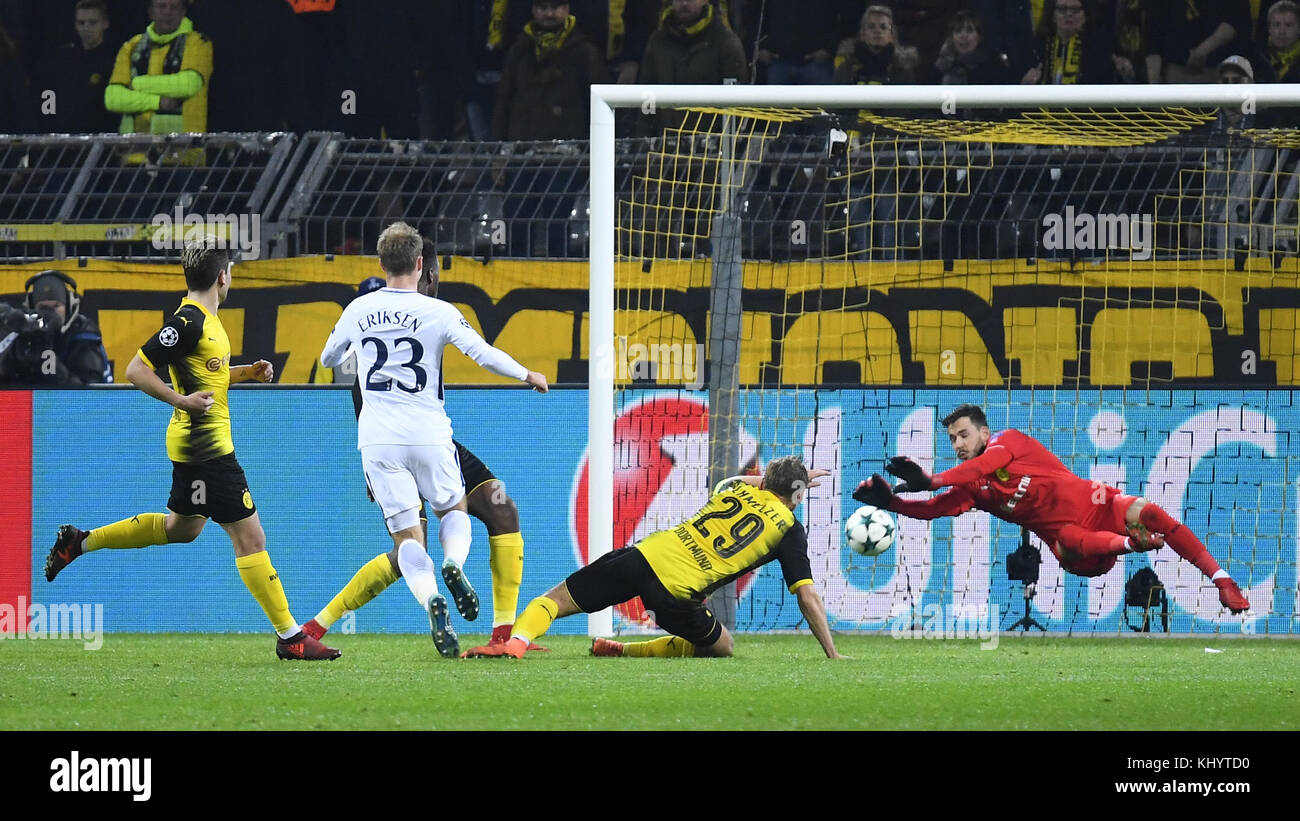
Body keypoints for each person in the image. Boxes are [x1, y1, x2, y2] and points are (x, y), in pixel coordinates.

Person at [43, 238, 341, 661]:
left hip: (197, 447)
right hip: (207, 449)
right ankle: (291, 636)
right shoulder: (188, 323)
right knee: (251, 537)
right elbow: (134, 370)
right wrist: (180, 401)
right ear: (223, 277)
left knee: (181, 529)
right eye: (231, 271)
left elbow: (207, 378)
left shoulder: (207, 321)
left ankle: (80, 541)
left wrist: (246, 373)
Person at [305, 238, 548, 654]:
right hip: (426, 437)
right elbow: (483, 354)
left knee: (493, 508)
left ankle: (501, 637)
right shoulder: (437, 311)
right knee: (420, 538)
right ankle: (318, 626)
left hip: (386, 444)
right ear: (425, 271)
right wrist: (528, 373)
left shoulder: (359, 313)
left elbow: (329, 359)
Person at [853, 403, 1251, 614]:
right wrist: (893, 503)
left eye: (964, 434)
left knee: (1149, 511)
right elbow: (933, 510)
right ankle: (1132, 546)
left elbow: (983, 465)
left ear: (984, 432)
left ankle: (1222, 581)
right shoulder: (973, 490)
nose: (958, 443)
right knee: (1068, 538)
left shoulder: (1008, 441)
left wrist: (933, 479)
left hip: (1099, 505)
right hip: (1077, 551)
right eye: (953, 439)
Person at [462, 456, 845, 660]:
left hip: (643, 556)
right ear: (797, 494)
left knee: (556, 599)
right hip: (676, 596)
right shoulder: (789, 529)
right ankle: (622, 651)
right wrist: (831, 651)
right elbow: (806, 595)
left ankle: (515, 643)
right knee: (722, 645)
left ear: (766, 482)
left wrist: (783, 480)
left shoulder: (732, 492)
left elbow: (743, 483)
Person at [492, 0, 608, 140]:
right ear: (533, 10)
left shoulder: (586, 53)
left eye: (555, 7)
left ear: (567, 8)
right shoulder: (519, 51)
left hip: (572, 148)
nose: (549, 13)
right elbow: (504, 101)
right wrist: (497, 144)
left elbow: (599, 106)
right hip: (524, 147)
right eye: (542, 7)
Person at [105, 0, 213, 137]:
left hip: (182, 150)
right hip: (134, 152)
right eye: (162, 6)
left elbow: (188, 84)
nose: (168, 12)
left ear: (183, 12)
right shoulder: (131, 46)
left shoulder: (198, 42)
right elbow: (112, 98)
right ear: (151, 12)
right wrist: (157, 102)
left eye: (174, 7)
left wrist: (137, 84)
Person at [0, 270, 111, 386]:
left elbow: (90, 397)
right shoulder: (22, 336)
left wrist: (53, 367)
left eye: (56, 306)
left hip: (75, 401)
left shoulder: (84, 336)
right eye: (43, 307)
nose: (50, 312)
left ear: (68, 305)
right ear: (32, 308)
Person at [32, 0, 119, 133]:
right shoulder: (61, 58)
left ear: (105, 24)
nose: (86, 27)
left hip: (101, 140)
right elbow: (48, 92)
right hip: (63, 141)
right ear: (75, 25)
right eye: (81, 23)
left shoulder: (115, 59)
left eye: (93, 22)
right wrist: (47, 122)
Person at [1020, 0, 1128, 85]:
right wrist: (1025, 84)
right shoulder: (1038, 47)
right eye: (1062, 9)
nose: (1069, 14)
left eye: (1076, 9)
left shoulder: (1101, 49)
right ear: (1053, 15)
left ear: (1085, 16)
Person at [832, 5, 919, 86]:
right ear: (863, 34)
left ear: (892, 35)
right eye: (871, 26)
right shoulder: (846, 69)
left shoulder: (903, 71)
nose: (877, 31)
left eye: (883, 27)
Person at [928, 9, 1013, 86]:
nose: (963, 36)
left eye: (969, 30)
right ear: (951, 37)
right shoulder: (941, 65)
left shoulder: (994, 65)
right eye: (958, 31)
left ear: (979, 36)